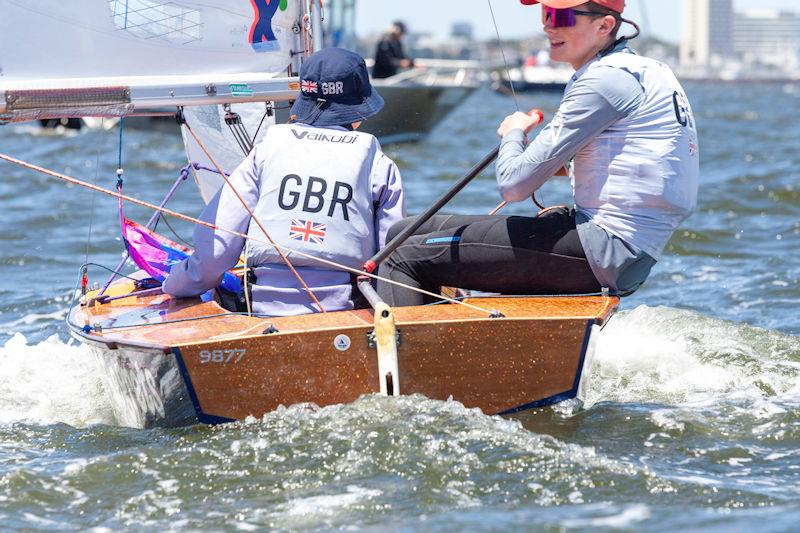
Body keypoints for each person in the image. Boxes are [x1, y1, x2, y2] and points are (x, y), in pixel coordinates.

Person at [377, 0, 699, 306]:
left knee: (400, 255)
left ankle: (405, 362)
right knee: (403, 231)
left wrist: (514, 132)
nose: (547, 26)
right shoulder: (646, 69)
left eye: (562, 17)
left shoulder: (605, 80)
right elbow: (636, 165)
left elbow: (514, 185)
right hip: (627, 249)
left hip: (605, 248)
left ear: (605, 25)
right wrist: (556, 165)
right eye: (546, 14)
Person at [164, 47, 405, 316]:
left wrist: (173, 285)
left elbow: (216, 252)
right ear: (358, 112)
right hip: (344, 314)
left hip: (263, 312)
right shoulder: (380, 164)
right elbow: (391, 261)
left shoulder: (266, 150)